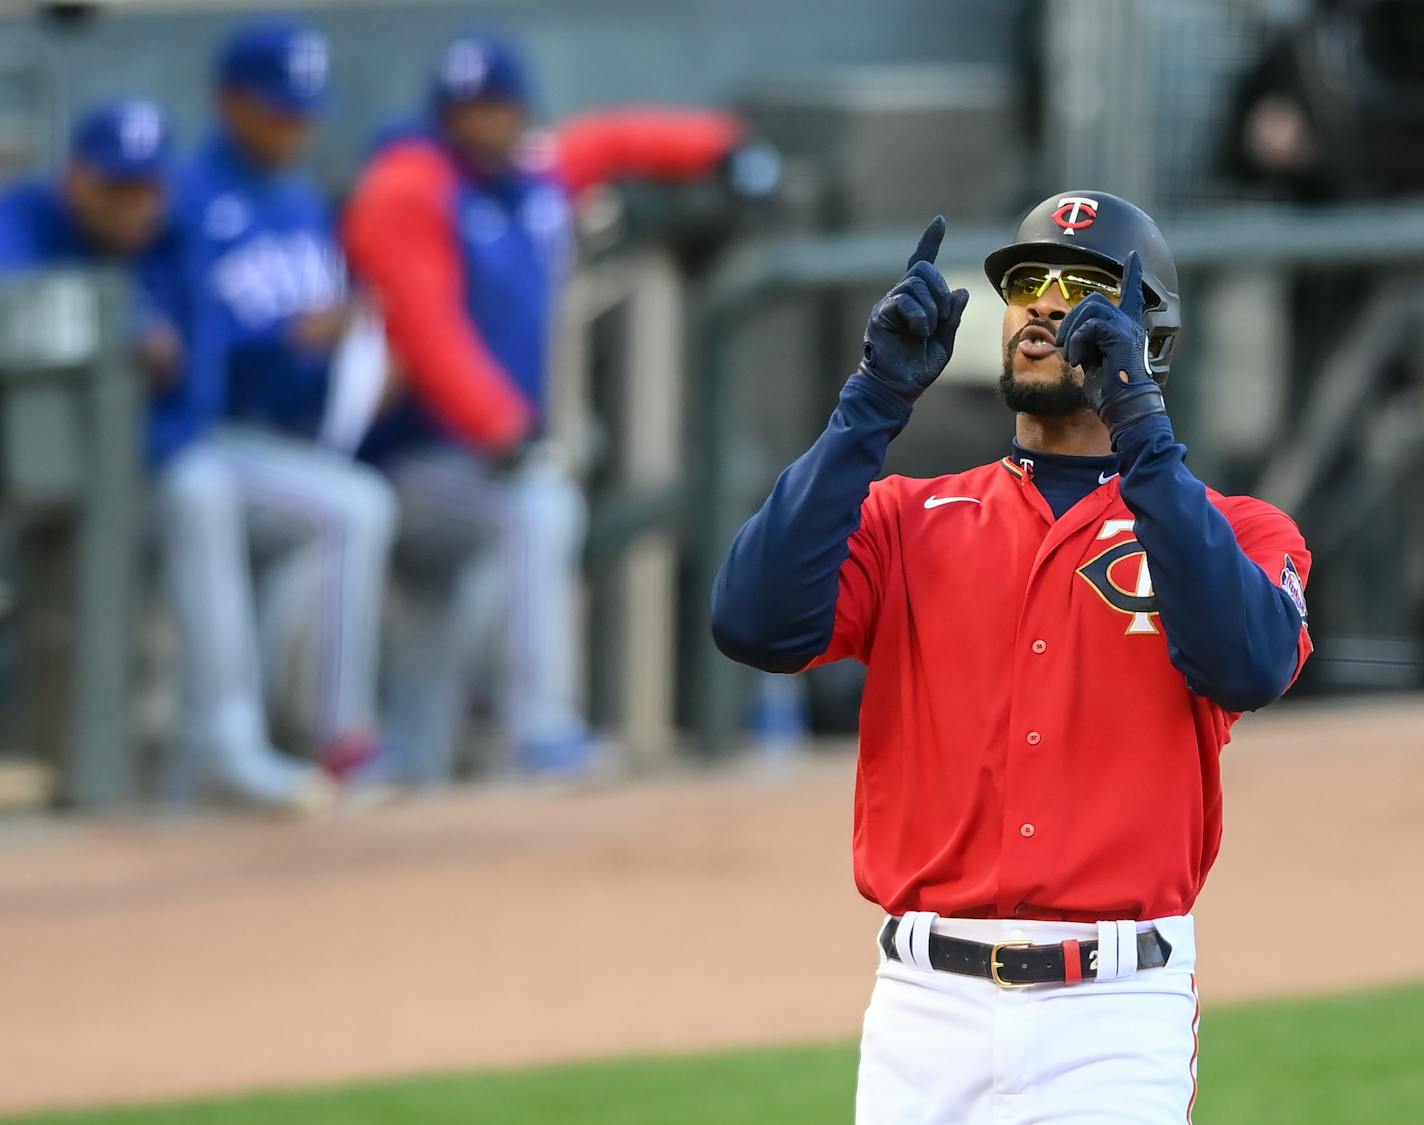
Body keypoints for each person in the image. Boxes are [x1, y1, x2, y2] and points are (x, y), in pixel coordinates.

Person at [711, 193, 1313, 1121]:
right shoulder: (906, 518)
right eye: (1026, 283)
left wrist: (1141, 425)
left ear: (1148, 330)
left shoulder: (1239, 530)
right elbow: (754, 623)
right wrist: (869, 403)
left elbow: (1249, 664)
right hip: (924, 1012)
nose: (1041, 303)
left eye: (1079, 285)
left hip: (1115, 1016)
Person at [343, 31, 746, 782]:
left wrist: (723, 149)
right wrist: (500, 425)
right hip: (401, 455)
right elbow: (426, 328)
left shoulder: (534, 173)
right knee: (539, 509)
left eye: (497, 107)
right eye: (468, 109)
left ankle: (420, 765)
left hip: (471, 461)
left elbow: (620, 139)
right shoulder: (413, 183)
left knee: (454, 599)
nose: (484, 122)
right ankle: (537, 727)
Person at [156, 18, 395, 811]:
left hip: (275, 444)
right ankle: (326, 739)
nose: (296, 125)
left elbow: (307, 356)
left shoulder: (299, 200)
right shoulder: (183, 194)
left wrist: (346, 356)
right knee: (354, 507)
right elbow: (196, 338)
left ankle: (284, 746)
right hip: (199, 437)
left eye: (305, 109)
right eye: (278, 108)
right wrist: (287, 339)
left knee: (338, 517)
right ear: (229, 101)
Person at [0, 97, 182, 399]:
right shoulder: (21, 215)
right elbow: (10, 302)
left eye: (148, 191)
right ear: (73, 180)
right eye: (117, 188)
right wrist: (129, 324)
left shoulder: (178, 233)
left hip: (155, 434)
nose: (134, 208)